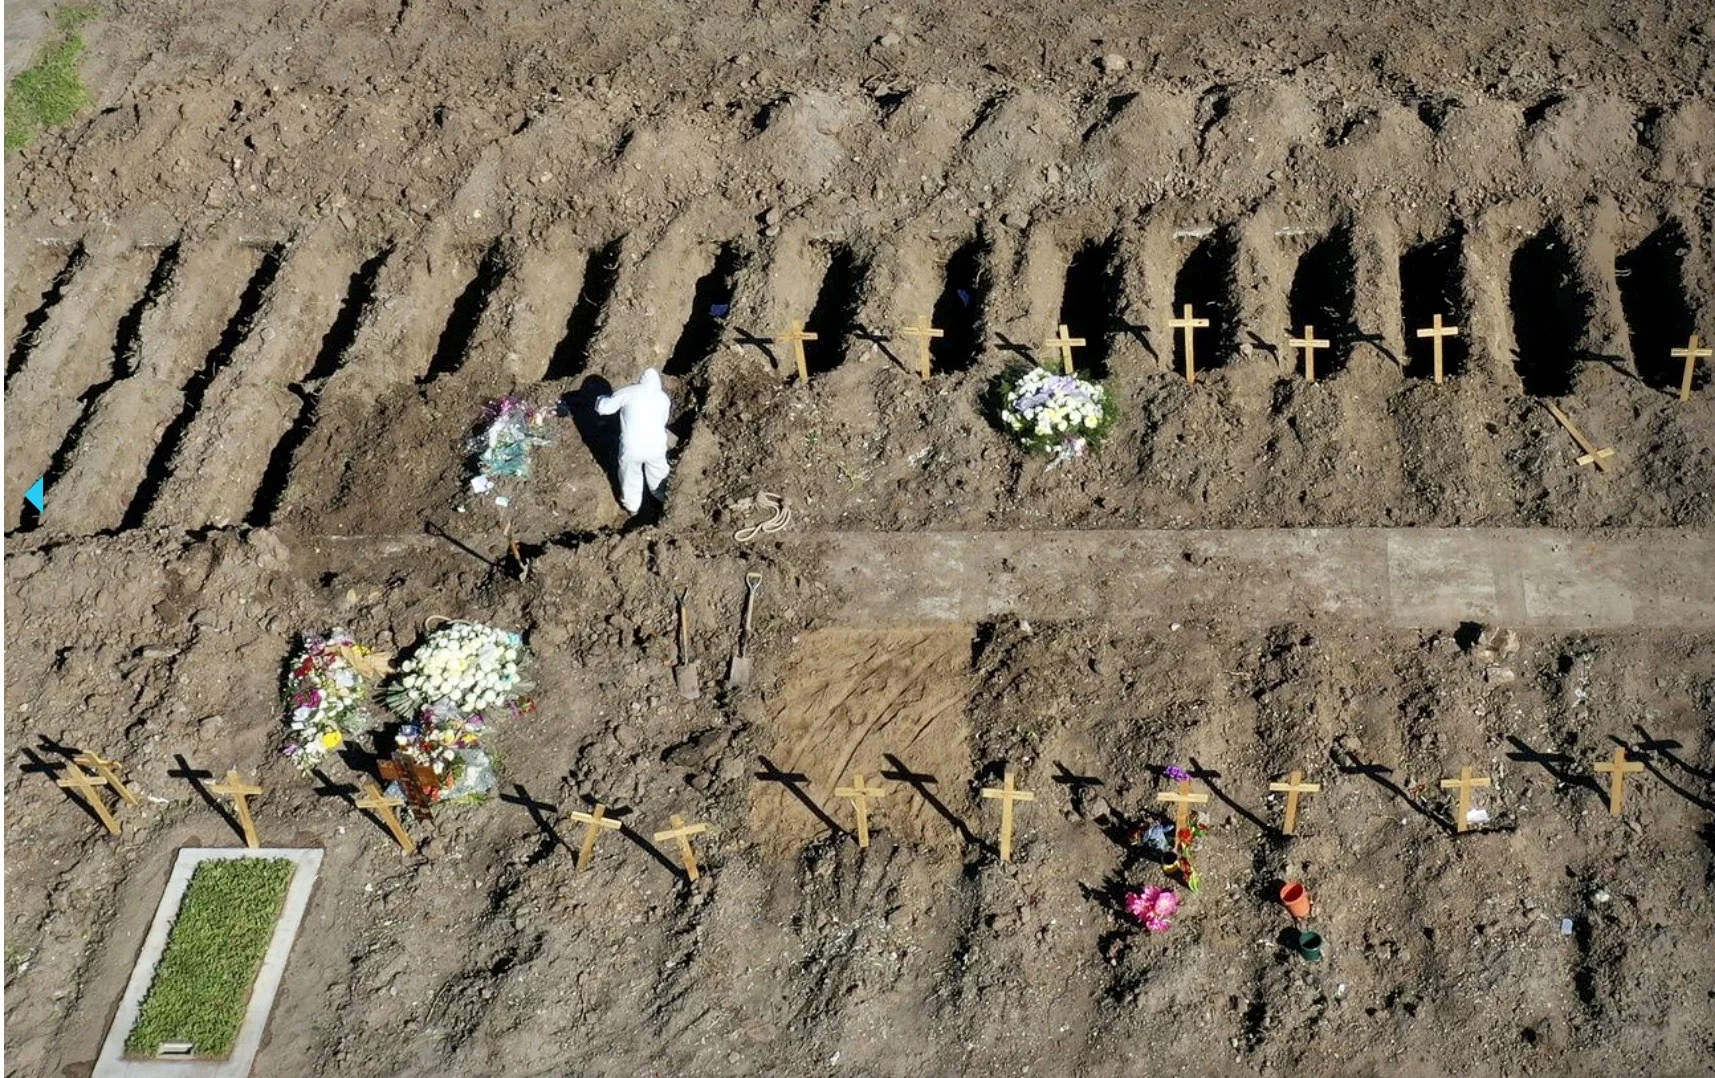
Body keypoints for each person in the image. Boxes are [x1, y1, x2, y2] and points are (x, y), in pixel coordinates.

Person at [595, 368, 672, 514]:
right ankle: (664, 499)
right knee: (659, 473)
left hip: (632, 447)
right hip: (656, 445)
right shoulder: (664, 398)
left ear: (640, 381)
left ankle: (633, 507)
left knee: (630, 476)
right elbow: (663, 421)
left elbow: (604, 408)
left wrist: (600, 399)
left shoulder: (629, 392)